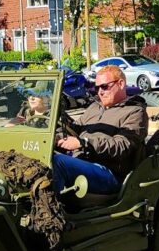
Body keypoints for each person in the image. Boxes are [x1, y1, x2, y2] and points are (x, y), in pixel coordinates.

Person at [52, 65, 148, 195]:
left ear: (120, 84)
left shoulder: (135, 112)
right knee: (43, 159)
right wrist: (55, 137)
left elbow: (122, 146)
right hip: (82, 161)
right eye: (97, 87)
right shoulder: (94, 107)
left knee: (58, 163)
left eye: (104, 86)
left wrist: (84, 143)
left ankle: (50, 212)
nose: (100, 92)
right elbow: (75, 129)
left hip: (109, 172)